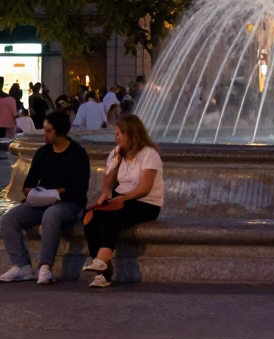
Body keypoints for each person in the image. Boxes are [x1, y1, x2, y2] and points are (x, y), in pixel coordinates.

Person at [0, 110, 90, 284]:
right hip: (39, 202)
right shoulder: (43, 153)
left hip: (68, 204)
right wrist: (36, 194)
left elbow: (78, 190)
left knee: (51, 215)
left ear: (60, 131)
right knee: (9, 218)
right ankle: (22, 266)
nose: (45, 134)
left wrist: (57, 194)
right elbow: (28, 184)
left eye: (48, 130)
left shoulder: (78, 154)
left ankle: (45, 266)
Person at [83, 114, 163, 287]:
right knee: (88, 215)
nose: (115, 137)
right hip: (122, 198)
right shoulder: (117, 152)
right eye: (115, 133)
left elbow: (145, 187)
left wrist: (122, 198)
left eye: (119, 133)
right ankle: (102, 266)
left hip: (146, 202)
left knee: (109, 216)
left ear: (131, 134)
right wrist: (106, 191)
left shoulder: (149, 154)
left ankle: (102, 264)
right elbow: (108, 178)